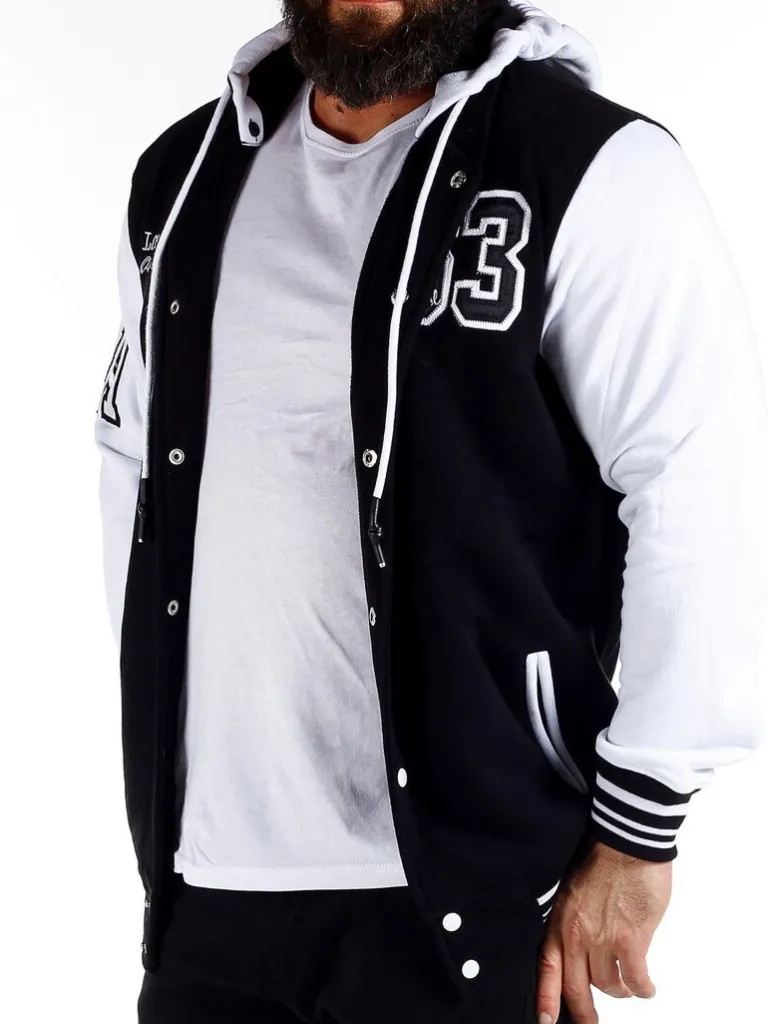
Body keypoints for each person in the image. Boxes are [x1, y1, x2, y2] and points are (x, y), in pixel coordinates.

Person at [93, 2, 768, 1022]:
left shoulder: (592, 168)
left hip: (472, 894)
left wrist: (641, 823)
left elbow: (701, 489)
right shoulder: (183, 177)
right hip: (211, 889)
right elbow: (134, 468)